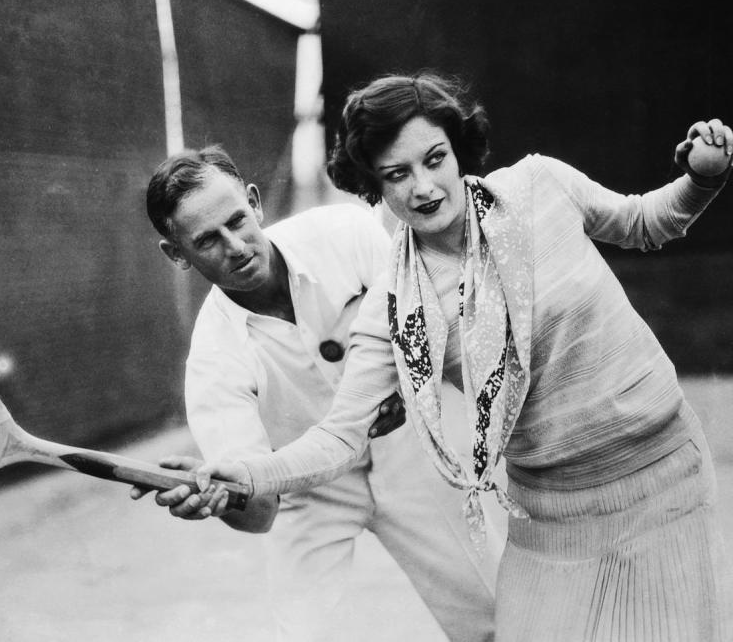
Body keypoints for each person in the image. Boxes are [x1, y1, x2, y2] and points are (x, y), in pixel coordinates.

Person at [195, 72, 733, 640]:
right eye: (396, 174)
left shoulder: (539, 184)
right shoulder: (391, 306)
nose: (423, 187)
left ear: (458, 150)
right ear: (374, 186)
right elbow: (340, 435)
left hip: (661, 468)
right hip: (552, 509)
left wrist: (703, 177)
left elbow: (645, 223)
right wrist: (248, 472)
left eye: (434, 159)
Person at [134, 145, 501, 642]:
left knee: (497, 617)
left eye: (237, 221)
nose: (236, 246)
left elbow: (429, 325)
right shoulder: (212, 362)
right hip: (311, 493)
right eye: (207, 241)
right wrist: (219, 496)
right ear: (177, 255)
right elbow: (259, 510)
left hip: (415, 458)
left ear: (255, 201)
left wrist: (410, 385)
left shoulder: (344, 234)